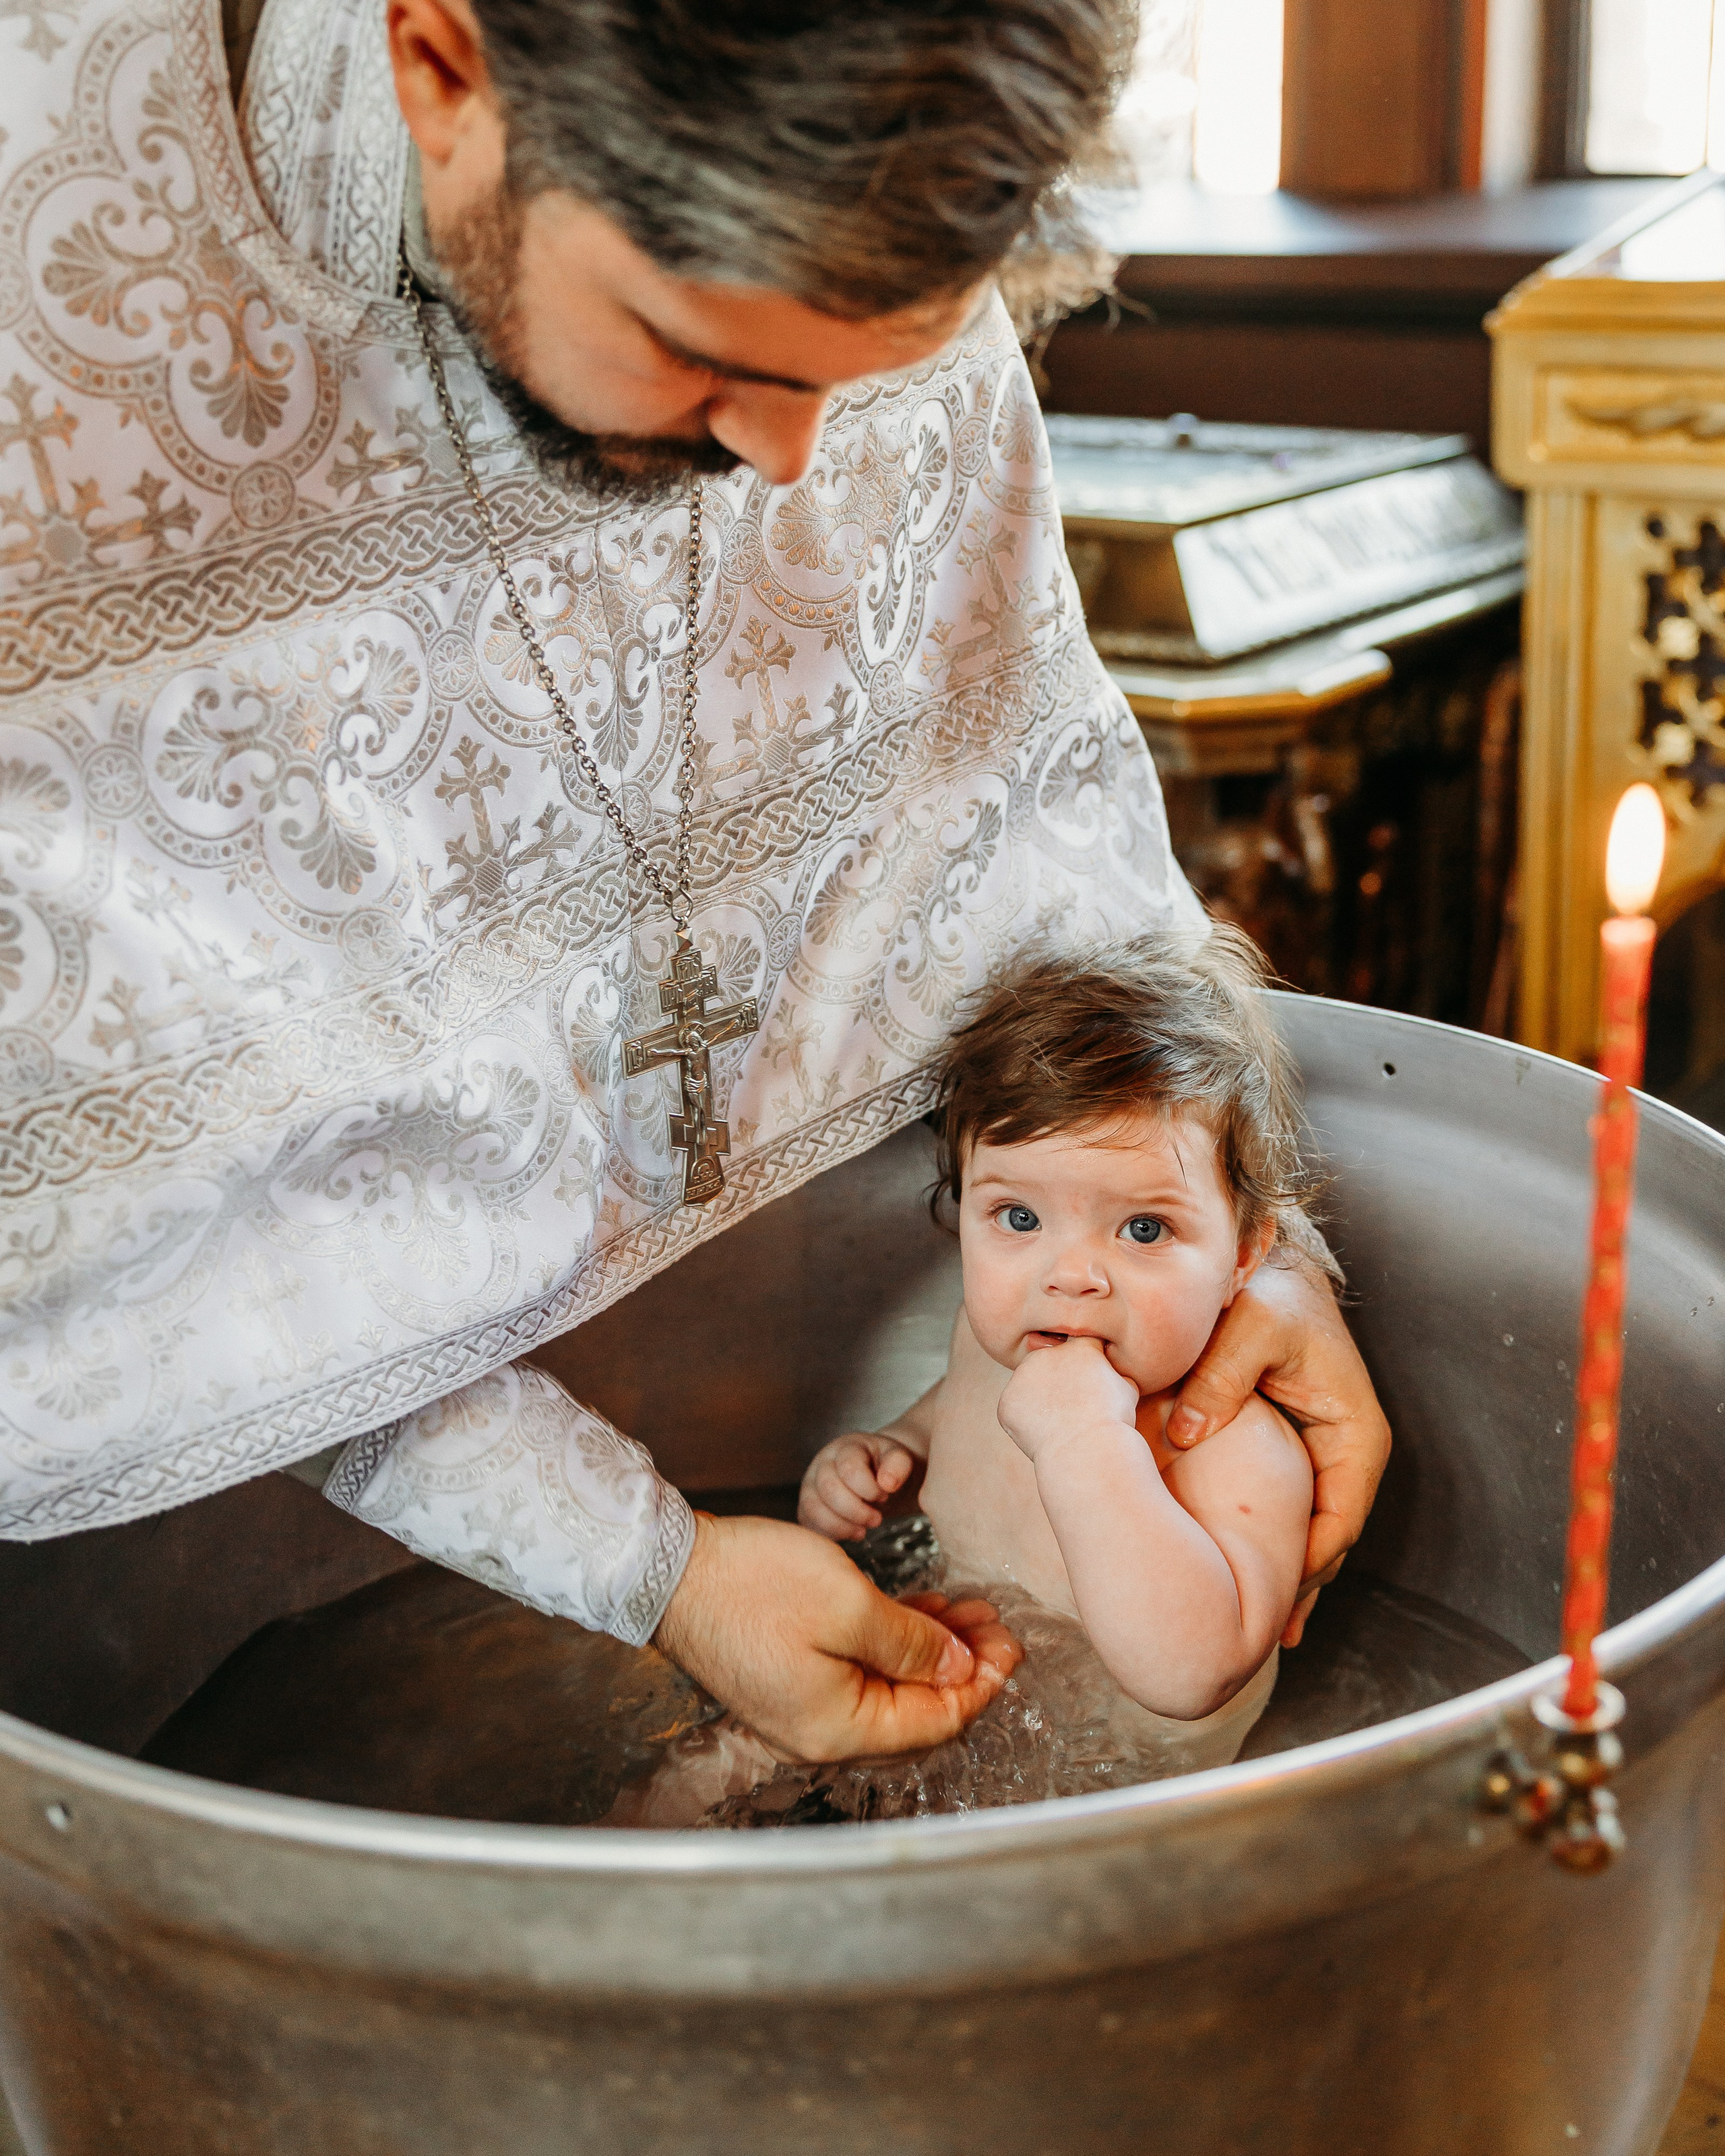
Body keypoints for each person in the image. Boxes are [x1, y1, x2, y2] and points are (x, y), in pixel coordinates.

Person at [0, 0, 1388, 1767]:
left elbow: (1029, 841)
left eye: (861, 375)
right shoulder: (57, 335)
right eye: (696, 351)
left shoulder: (880, 152)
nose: (794, 464)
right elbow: (142, 1220)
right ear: (443, 69)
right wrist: (648, 1564)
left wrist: (1258, 1259)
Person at [802, 928, 1312, 1725]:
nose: (1070, 1275)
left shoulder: (1236, 1451)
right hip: (953, 1679)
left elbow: (1193, 1677)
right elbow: (947, 1428)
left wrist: (1087, 1444)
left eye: (1143, 1228)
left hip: (1123, 1776)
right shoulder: (990, 1348)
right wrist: (886, 1460)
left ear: (1243, 1256)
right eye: (1018, 1216)